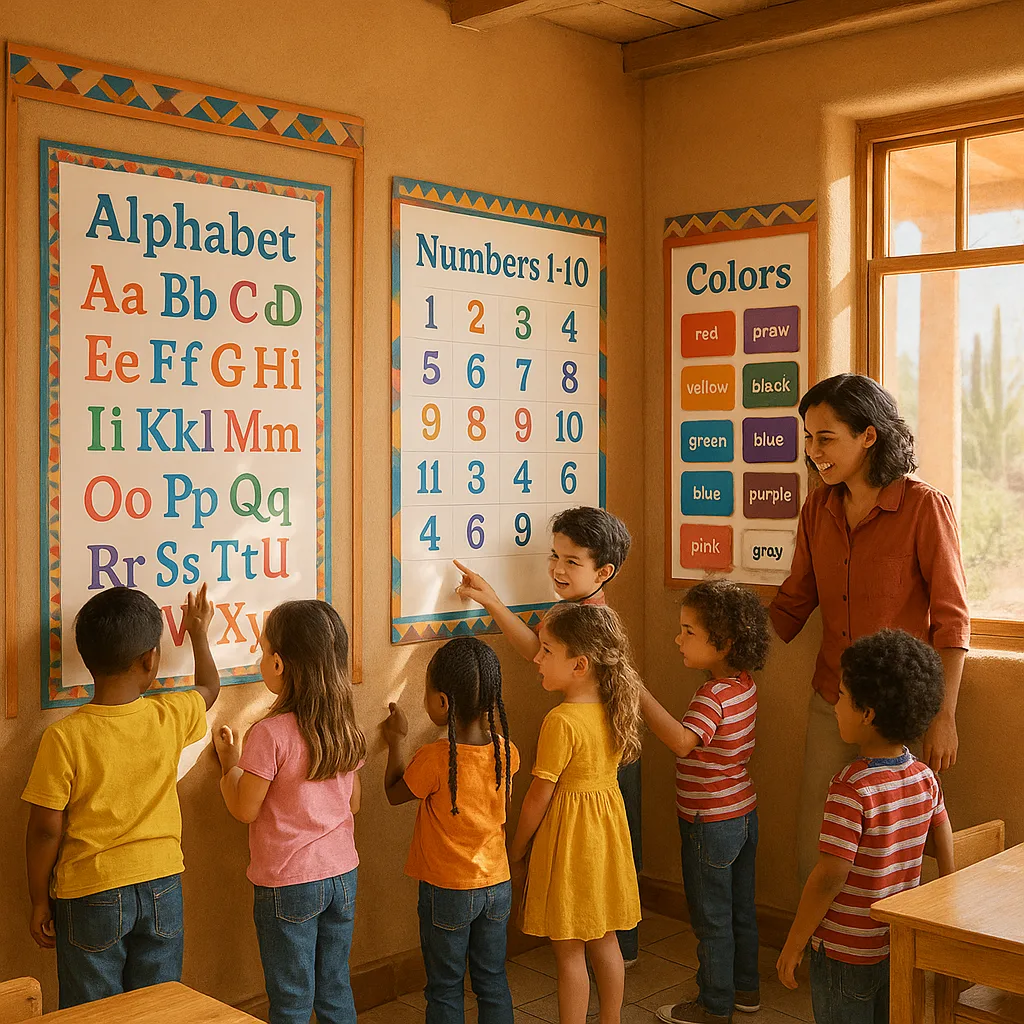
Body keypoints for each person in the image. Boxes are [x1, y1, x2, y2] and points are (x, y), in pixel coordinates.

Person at [769, 373, 969, 883]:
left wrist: (944, 715)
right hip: (833, 698)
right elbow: (796, 599)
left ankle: (885, 960)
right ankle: (813, 956)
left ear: (869, 435)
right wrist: (726, 645)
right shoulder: (817, 507)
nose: (814, 451)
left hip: (903, 710)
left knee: (892, 851)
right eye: (808, 437)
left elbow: (952, 619)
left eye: (826, 437)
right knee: (815, 840)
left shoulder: (924, 506)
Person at [454, 505, 642, 964]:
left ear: (604, 571)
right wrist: (493, 601)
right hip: (591, 760)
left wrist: (516, 848)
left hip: (593, 768)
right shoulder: (571, 610)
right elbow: (536, 648)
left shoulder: (588, 619)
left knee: (599, 869)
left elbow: (537, 649)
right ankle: (609, 947)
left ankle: (607, 946)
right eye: (554, 556)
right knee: (602, 872)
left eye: (571, 561)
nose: (557, 568)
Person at [23, 584, 219, 1009]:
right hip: (163, 884)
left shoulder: (64, 737)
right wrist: (199, 633)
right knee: (159, 1004)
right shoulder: (168, 716)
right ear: (151, 660)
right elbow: (209, 688)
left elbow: (43, 831)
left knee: (93, 1011)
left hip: (89, 893)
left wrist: (40, 899)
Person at [777, 629, 955, 1024]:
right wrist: (944, 902)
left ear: (868, 714)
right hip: (895, 946)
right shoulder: (924, 778)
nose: (836, 706)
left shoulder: (851, 787)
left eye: (842, 697)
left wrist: (794, 941)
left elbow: (829, 876)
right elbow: (942, 842)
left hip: (845, 952)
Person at [214, 600, 365, 1024]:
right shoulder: (344, 725)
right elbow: (354, 802)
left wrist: (229, 765)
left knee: (292, 999)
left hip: (288, 883)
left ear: (278, 663)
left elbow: (245, 808)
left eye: (263, 652)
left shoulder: (269, 733)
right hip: (342, 876)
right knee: (334, 989)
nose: (262, 659)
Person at [641, 581, 770, 1024]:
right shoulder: (743, 686)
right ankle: (746, 990)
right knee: (740, 910)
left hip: (708, 821)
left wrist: (636, 693)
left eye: (688, 631)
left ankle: (714, 1005)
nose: (678, 639)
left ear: (725, 642)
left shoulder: (711, 697)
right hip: (743, 813)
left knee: (711, 918)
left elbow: (682, 742)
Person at [509, 602, 642, 1024]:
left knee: (569, 949)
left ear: (579, 664)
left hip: (571, 844)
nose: (536, 657)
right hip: (606, 839)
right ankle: (611, 1020)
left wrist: (515, 848)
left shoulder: (561, 721)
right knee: (605, 939)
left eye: (547, 650)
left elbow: (537, 798)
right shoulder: (615, 708)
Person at [382, 636, 519, 1024]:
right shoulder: (508, 751)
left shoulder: (435, 758)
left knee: (445, 984)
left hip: (448, 891)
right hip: (496, 885)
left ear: (441, 702)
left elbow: (395, 793)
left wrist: (396, 741)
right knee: (492, 978)